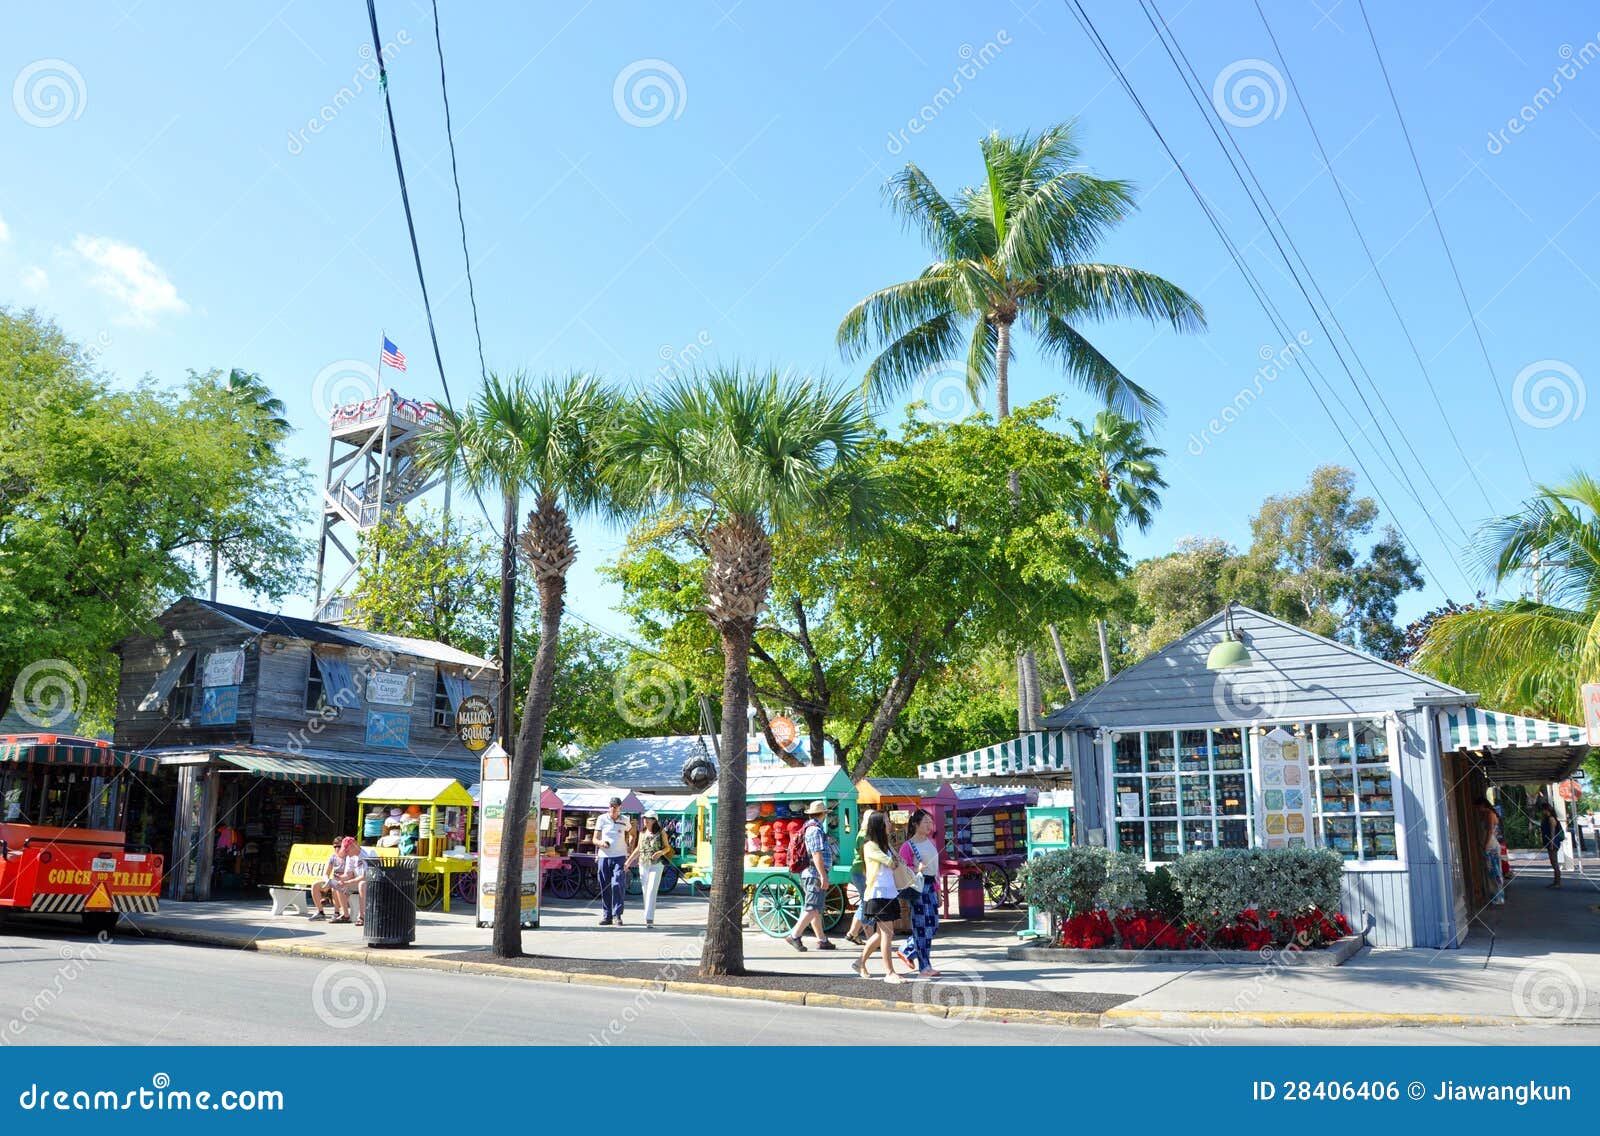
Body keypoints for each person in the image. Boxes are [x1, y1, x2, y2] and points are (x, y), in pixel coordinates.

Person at [854, 810, 910, 984]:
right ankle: (889, 972)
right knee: (887, 933)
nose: (890, 823)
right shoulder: (869, 845)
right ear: (879, 824)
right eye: (886, 820)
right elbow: (891, 863)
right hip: (877, 894)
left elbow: (898, 861)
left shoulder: (885, 844)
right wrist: (895, 861)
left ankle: (860, 962)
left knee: (881, 934)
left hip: (889, 892)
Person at [784, 800, 837, 952]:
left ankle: (822, 940)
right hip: (814, 873)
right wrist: (823, 875)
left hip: (811, 872)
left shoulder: (810, 827)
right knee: (812, 907)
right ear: (823, 815)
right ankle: (794, 935)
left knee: (816, 908)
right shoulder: (815, 830)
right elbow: (816, 854)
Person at [896, 809, 943, 977]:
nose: (929, 825)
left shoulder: (931, 842)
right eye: (925, 822)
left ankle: (907, 949)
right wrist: (917, 868)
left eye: (930, 822)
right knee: (922, 927)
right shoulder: (908, 846)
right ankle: (924, 967)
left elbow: (936, 870)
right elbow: (902, 868)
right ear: (916, 824)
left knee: (933, 925)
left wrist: (938, 891)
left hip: (931, 886)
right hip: (918, 887)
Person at [626, 810, 675, 926]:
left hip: (656, 864)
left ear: (654, 820)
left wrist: (660, 853)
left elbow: (668, 848)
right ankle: (647, 914)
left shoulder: (661, 832)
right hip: (643, 864)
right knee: (645, 890)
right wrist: (628, 862)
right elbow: (638, 849)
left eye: (647, 818)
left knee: (652, 889)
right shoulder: (642, 833)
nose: (645, 820)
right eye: (644, 818)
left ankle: (649, 918)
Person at [594, 797, 632, 926]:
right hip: (604, 856)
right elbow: (595, 839)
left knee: (617, 884)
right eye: (611, 806)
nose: (613, 808)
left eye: (615, 806)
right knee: (604, 886)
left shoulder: (625, 820)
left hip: (620, 856)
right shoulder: (602, 819)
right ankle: (607, 916)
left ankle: (617, 915)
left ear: (620, 807)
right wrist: (601, 843)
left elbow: (632, 832)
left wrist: (630, 845)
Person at [843, 819, 870, 946]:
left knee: (865, 902)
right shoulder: (865, 835)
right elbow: (865, 857)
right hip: (861, 871)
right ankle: (852, 933)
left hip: (859, 871)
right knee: (866, 902)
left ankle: (857, 934)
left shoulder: (863, 833)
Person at [330, 836, 367, 925]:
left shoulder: (367, 853)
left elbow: (365, 876)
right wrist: (340, 878)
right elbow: (349, 874)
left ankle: (362, 916)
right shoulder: (350, 857)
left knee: (362, 884)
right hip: (356, 881)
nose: (345, 852)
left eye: (346, 850)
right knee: (338, 884)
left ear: (352, 846)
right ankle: (345, 915)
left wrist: (348, 882)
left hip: (369, 882)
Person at [1476, 796, 1505, 906]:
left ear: (1483, 805)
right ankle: (1496, 896)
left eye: (1478, 807)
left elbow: (1489, 832)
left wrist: (1485, 846)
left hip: (1491, 845)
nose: (1478, 809)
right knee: (1492, 871)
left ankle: (1499, 897)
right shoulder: (1488, 814)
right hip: (1490, 844)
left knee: (1495, 871)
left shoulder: (1489, 815)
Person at [308, 838, 343, 921]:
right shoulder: (333, 856)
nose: (337, 849)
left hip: (343, 881)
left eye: (339, 846)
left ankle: (336, 912)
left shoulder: (348, 857)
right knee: (315, 885)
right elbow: (326, 874)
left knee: (335, 886)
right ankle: (320, 912)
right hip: (333, 880)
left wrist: (333, 881)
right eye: (335, 847)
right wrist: (327, 881)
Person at [1538, 801, 1566, 888]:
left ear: (1546, 810)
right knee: (1553, 862)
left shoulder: (1551, 819)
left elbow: (1553, 832)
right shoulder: (1547, 819)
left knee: (1554, 862)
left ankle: (1558, 883)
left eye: (1543, 810)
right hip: (1550, 842)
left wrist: (1551, 843)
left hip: (1553, 842)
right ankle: (1555, 881)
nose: (1542, 812)